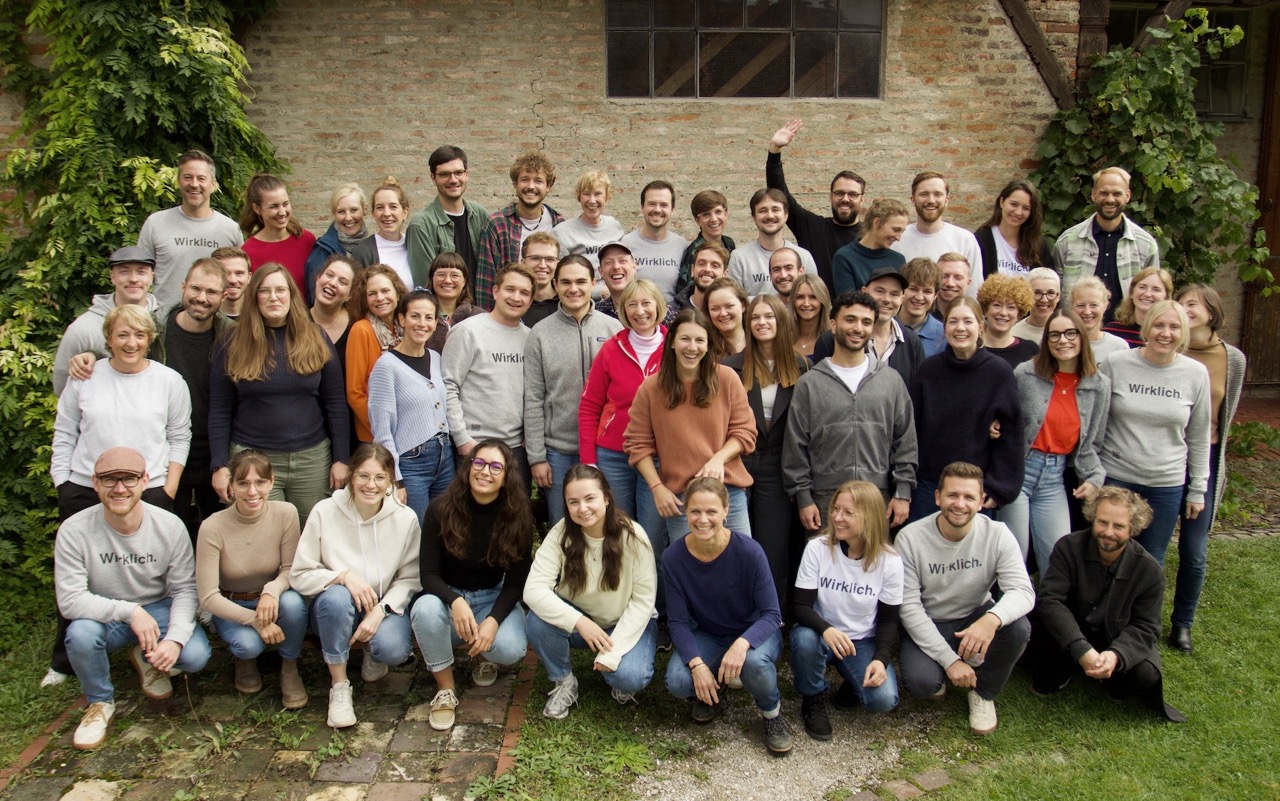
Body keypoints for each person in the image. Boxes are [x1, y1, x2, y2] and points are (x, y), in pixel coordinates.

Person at [57, 447, 211, 750]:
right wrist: (131, 612)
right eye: (109, 480)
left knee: (195, 656)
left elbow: (185, 589)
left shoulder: (169, 525)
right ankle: (100, 702)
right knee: (80, 635)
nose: (119, 489)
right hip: (107, 615)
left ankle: (148, 655)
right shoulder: (74, 530)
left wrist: (175, 639)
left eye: (128, 479)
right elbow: (70, 600)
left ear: (144, 481)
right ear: (95, 483)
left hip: (159, 608)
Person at [896, 462, 1034, 736]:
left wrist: (991, 620)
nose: (960, 504)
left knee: (1019, 627)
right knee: (923, 684)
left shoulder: (998, 534)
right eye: (952, 495)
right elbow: (908, 607)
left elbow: (1023, 590)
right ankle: (956, 661)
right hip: (931, 620)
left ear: (981, 501)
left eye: (969, 497)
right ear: (937, 497)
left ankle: (983, 692)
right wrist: (950, 661)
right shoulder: (910, 538)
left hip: (975, 615)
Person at [290, 444, 421, 728]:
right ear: (351, 476)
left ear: (390, 481)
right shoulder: (325, 511)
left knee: (393, 649)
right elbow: (300, 574)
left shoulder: (405, 518)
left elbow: (410, 578)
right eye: (363, 476)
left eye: (380, 478)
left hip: (381, 605)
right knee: (336, 598)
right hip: (335, 609)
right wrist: (343, 577)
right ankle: (339, 685)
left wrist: (381, 611)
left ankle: (374, 652)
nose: (370, 485)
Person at [209, 263, 350, 525]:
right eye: (265, 291)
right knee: (264, 533)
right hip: (253, 460)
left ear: (291, 295)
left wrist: (341, 458)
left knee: (313, 532)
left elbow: (336, 404)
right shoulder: (232, 342)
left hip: (311, 460)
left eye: (280, 290)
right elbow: (219, 409)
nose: (273, 297)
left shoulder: (316, 337)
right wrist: (219, 465)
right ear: (254, 296)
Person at [1031, 486, 1185, 722]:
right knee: (1035, 655)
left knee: (1145, 675)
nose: (1108, 532)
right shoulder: (1068, 547)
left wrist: (1116, 655)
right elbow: (1050, 600)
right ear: (1093, 518)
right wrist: (1080, 648)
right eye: (1102, 522)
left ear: (1132, 529)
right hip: (1070, 631)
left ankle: (1107, 673)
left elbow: (1146, 626)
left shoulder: (1150, 570)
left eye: (1119, 526)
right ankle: (1068, 666)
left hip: (1115, 637)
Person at [410, 440, 534, 731]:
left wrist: (493, 620)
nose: (485, 472)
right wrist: (455, 601)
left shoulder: (518, 517)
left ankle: (483, 656)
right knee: (424, 610)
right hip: (447, 599)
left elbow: (516, 583)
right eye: (479, 463)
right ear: (468, 467)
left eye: (495, 467)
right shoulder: (440, 510)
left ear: (506, 476)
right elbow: (428, 575)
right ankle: (446, 689)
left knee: (511, 648)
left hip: (491, 597)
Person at [662, 477, 791, 754]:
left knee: (754, 663)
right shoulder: (673, 557)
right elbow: (678, 621)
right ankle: (712, 690)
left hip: (754, 632)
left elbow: (771, 614)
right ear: (686, 512)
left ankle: (772, 714)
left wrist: (742, 644)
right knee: (678, 680)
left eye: (711, 511)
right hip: (711, 634)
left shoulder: (749, 551)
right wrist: (697, 665)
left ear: (725, 511)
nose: (703, 519)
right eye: (695, 511)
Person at [626, 308, 757, 576]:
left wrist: (718, 459)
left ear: (708, 346)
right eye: (685, 339)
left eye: (700, 340)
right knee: (693, 571)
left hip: (728, 490)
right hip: (682, 497)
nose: (692, 347)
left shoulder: (727, 379)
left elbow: (745, 431)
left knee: (742, 564)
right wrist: (657, 488)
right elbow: (637, 445)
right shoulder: (651, 388)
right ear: (672, 341)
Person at [524, 465, 658, 717]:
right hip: (582, 624)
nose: (582, 508)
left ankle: (617, 674)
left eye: (590, 498)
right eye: (573, 502)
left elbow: (643, 602)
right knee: (537, 620)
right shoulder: (561, 533)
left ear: (606, 498)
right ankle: (564, 681)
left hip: (625, 621)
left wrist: (614, 652)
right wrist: (580, 622)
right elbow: (533, 590)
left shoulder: (633, 536)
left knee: (629, 678)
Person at [784, 290, 916, 533]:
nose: (858, 328)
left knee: (874, 558)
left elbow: (905, 440)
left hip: (876, 497)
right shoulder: (810, 384)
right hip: (825, 500)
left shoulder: (890, 380)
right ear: (833, 325)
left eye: (866, 322)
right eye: (850, 319)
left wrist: (903, 491)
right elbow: (796, 445)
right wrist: (802, 496)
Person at [1098, 299, 1210, 566]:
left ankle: (1141, 598)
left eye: (1174, 327)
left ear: (1183, 332)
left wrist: (1198, 489)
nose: (1165, 333)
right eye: (1159, 325)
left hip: (1166, 484)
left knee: (1150, 560)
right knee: (1107, 554)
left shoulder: (1196, 373)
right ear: (1147, 327)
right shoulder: (1117, 363)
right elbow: (1096, 422)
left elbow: (1199, 435)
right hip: (1117, 476)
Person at [52, 305, 191, 520]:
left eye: (139, 335)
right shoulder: (84, 377)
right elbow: (65, 432)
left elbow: (179, 438)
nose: (131, 343)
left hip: (149, 491)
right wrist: (63, 484)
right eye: (123, 335)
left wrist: (168, 489)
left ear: (149, 339)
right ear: (109, 339)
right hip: (85, 490)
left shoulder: (170, 381)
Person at [195, 449, 308, 709]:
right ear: (231, 485)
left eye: (260, 482)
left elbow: (291, 569)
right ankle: (245, 660)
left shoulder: (285, 513)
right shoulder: (212, 527)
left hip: (272, 601)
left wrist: (272, 590)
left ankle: (290, 666)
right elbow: (208, 597)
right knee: (248, 646)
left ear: (272, 482)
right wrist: (255, 621)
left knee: (293, 603)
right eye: (243, 483)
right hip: (233, 603)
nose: (252, 491)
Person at [790, 482, 902, 740]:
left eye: (848, 513)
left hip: (860, 641)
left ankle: (852, 682)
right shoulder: (817, 548)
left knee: (883, 700)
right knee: (804, 639)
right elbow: (801, 607)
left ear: (870, 517)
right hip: (821, 634)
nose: (837, 517)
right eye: (836, 509)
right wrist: (826, 629)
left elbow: (888, 620)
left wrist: (880, 659)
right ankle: (812, 697)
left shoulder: (890, 561)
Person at [1168, 284, 1246, 654]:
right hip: (1165, 457)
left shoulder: (1233, 359)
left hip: (1206, 460)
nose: (1185, 309)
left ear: (1212, 312)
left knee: (1194, 549)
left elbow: (1224, 416)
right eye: (1181, 303)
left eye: (1193, 305)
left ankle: (1182, 623)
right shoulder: (1170, 348)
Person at [1001, 310, 1110, 568]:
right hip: (1019, 472)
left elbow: (1093, 443)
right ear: (1047, 341)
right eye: (1055, 335)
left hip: (1054, 478)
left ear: (1082, 337)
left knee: (1057, 556)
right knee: (1015, 555)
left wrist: (1094, 478)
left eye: (1070, 333)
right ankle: (1015, 597)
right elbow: (1003, 418)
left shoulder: (1098, 385)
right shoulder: (1026, 374)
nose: (1063, 340)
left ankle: (1049, 597)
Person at [723, 294, 810, 611]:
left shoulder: (802, 366)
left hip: (778, 467)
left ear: (781, 321)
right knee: (735, 543)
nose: (762, 322)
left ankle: (772, 613)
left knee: (773, 546)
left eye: (769, 316)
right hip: (738, 462)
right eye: (756, 317)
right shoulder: (729, 367)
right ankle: (734, 609)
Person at [524, 255, 623, 524]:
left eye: (581, 281)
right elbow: (533, 398)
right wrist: (537, 457)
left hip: (606, 449)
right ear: (555, 285)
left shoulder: (613, 328)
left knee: (607, 523)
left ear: (593, 283)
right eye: (566, 282)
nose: (573, 288)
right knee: (563, 525)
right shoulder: (540, 334)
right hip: (558, 451)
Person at [908, 297, 1023, 522]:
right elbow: (911, 429)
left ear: (980, 326)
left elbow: (1011, 436)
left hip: (974, 490)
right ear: (945, 327)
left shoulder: (998, 373)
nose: (960, 328)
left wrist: (999, 487)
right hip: (929, 486)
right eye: (953, 321)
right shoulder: (929, 371)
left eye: (968, 321)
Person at [578, 278, 668, 547]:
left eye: (646, 303)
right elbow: (589, 406)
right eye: (632, 305)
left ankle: (653, 578)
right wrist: (589, 461)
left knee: (652, 538)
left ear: (658, 305)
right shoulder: (611, 349)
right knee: (617, 534)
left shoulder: (675, 347)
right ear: (623, 310)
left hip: (658, 456)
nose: (640, 311)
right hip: (613, 457)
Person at [442, 263, 535, 487]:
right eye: (510, 289)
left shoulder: (531, 338)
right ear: (495, 291)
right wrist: (462, 439)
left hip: (516, 449)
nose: (516, 297)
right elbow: (448, 386)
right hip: (475, 445)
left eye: (524, 293)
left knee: (515, 509)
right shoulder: (467, 331)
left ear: (531, 300)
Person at [160, 259, 234, 538]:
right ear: (183, 287)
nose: (201, 298)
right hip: (165, 457)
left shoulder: (232, 336)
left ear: (223, 296)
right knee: (168, 537)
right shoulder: (156, 331)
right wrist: (89, 355)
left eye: (211, 292)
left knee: (217, 540)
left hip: (215, 456)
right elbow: (117, 344)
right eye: (196, 288)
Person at [368, 290, 453, 523]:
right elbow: (382, 431)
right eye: (415, 316)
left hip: (445, 458)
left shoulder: (436, 358)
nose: (422, 323)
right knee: (416, 530)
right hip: (411, 463)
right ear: (402, 319)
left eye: (429, 317)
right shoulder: (386, 366)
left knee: (444, 528)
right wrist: (396, 478)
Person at [137, 149, 244, 310]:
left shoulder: (230, 230)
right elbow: (139, 275)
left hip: (214, 320)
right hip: (163, 321)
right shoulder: (155, 224)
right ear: (178, 181)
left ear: (213, 184)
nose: (194, 184)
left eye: (201, 178)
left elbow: (241, 280)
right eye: (188, 177)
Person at [766, 119, 864, 290]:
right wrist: (774, 151)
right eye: (839, 193)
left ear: (862, 199)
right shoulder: (813, 228)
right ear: (830, 197)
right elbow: (780, 196)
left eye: (853, 194)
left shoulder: (869, 236)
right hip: (814, 306)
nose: (845, 199)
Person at [53, 245, 161, 396]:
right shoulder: (83, 329)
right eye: (124, 271)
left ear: (151, 277)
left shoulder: (164, 321)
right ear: (112, 277)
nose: (134, 279)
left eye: (141, 272)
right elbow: (62, 389)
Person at [1055, 166, 1161, 318]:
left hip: (1127, 328)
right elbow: (1055, 293)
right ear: (1093, 195)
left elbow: (1153, 294)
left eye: (1117, 193)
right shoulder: (1068, 241)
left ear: (1127, 196)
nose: (1110, 199)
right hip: (1077, 328)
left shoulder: (1145, 245)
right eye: (1104, 193)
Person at [476, 152, 564, 309]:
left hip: (551, 310)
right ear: (515, 184)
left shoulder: (559, 224)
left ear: (548, 186)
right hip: (509, 310)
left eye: (538, 181)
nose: (531, 186)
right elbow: (486, 282)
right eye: (525, 179)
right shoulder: (497, 225)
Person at [812, 266, 927, 385]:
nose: (886, 299)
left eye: (894, 294)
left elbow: (917, 390)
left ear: (902, 299)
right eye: (880, 291)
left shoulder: (912, 342)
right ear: (864, 292)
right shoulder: (832, 339)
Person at [345, 264, 410, 444]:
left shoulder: (406, 328)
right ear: (365, 300)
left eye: (385, 291)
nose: (380, 298)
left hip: (407, 432)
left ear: (397, 293)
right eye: (372, 294)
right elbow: (355, 392)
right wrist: (383, 429)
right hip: (376, 435)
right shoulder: (361, 330)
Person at [406, 145, 489, 284]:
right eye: (445, 174)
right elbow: (425, 283)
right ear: (433, 178)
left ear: (466, 174)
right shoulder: (421, 226)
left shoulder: (480, 215)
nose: (453, 180)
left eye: (459, 172)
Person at [892, 172, 983, 294]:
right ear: (913, 200)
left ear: (947, 200)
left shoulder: (965, 240)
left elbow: (974, 292)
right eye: (924, 194)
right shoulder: (897, 240)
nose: (931, 200)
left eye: (937, 194)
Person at [726, 188, 818, 297]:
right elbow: (734, 301)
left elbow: (814, 298)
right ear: (754, 218)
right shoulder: (739, 258)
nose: (770, 216)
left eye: (775, 210)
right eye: (763, 211)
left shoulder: (804, 256)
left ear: (786, 215)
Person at [239, 174, 317, 290]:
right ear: (257, 209)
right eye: (274, 206)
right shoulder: (248, 251)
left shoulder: (307, 240)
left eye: (285, 204)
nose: (282, 212)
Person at [620, 180, 689, 304]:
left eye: (664, 205)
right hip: (636, 314)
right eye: (651, 204)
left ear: (672, 209)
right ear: (642, 207)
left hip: (672, 315)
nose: (657, 210)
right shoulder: (625, 244)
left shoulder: (682, 246)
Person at [974, 179, 1057, 279]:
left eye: (1026, 208)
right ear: (1001, 202)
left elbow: (1050, 282)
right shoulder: (980, 240)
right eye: (1014, 204)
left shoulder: (1039, 246)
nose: (1018, 212)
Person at [303, 183, 368, 304]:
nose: (348, 217)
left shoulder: (371, 247)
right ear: (334, 214)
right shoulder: (323, 252)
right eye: (341, 212)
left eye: (354, 210)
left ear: (365, 209)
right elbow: (317, 301)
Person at [831, 197, 908, 295]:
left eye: (902, 231)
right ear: (877, 222)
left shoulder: (898, 260)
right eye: (896, 230)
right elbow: (847, 301)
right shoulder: (845, 257)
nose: (899, 238)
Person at [551, 169, 626, 271]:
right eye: (586, 194)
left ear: (607, 197)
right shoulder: (562, 233)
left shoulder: (614, 226)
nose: (592, 201)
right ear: (579, 197)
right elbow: (560, 273)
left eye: (597, 194)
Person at [351, 177, 413, 288]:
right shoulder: (363, 252)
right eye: (380, 207)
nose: (387, 213)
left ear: (404, 212)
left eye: (393, 207)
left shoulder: (414, 246)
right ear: (373, 213)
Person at [675, 190, 736, 293]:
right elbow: (684, 293)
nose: (714, 219)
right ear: (697, 220)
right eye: (706, 214)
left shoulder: (729, 244)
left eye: (718, 212)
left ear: (725, 214)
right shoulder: (694, 252)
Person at [976, 273, 1039, 369]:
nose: (1003, 313)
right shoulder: (971, 348)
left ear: (1019, 315)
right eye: (997, 305)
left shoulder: (1030, 350)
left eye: (1011, 307)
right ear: (985, 310)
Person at [1102, 266, 1173, 347]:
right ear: (1132, 292)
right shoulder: (1111, 332)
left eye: (1156, 289)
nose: (1147, 294)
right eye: (1142, 287)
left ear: (1166, 297)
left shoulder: (1169, 336)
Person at [425, 251, 480, 353]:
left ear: (464, 281)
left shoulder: (478, 317)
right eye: (441, 275)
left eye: (455, 275)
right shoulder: (420, 316)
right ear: (432, 278)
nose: (447, 281)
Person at [309, 254, 358, 363]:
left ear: (350, 295)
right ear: (318, 278)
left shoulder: (356, 327)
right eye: (329, 275)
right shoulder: (296, 320)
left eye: (342, 282)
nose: (333, 283)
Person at [1069, 276, 1129, 362]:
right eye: (1081, 305)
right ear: (1072, 307)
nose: (1087, 312)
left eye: (1094, 305)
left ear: (1105, 306)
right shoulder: (1063, 345)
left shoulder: (1118, 347)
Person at [897, 257, 945, 357]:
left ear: (935, 295)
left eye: (927, 291)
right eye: (913, 289)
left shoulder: (944, 336)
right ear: (901, 289)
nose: (919, 297)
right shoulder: (883, 326)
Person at [671, 241, 729, 314]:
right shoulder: (672, 312)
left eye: (715, 265)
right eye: (701, 264)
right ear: (692, 270)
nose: (707, 269)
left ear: (724, 274)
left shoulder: (728, 313)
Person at [520, 231, 563, 327]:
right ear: (523, 262)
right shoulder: (514, 302)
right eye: (535, 258)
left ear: (557, 264)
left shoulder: (566, 302)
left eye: (550, 259)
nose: (542, 265)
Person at [1009, 267, 1062, 345]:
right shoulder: (1013, 335)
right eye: (1037, 293)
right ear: (1026, 295)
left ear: (1058, 296)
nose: (1044, 300)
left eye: (1050, 293)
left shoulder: (1068, 331)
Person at [704, 277, 748, 362]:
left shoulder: (760, 341)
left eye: (729, 306)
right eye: (715, 309)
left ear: (743, 306)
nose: (723, 313)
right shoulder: (705, 348)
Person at [789, 273, 831, 360]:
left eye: (813, 297)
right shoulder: (782, 337)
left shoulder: (833, 339)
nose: (806, 304)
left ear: (822, 301)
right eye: (800, 297)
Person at [213, 246, 251, 319]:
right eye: (225, 273)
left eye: (239, 273)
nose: (233, 280)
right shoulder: (203, 317)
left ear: (249, 277)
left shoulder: (260, 317)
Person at [933, 253, 974, 317]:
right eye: (944, 276)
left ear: (968, 283)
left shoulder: (976, 318)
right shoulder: (921, 316)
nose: (950, 283)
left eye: (958, 278)